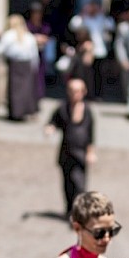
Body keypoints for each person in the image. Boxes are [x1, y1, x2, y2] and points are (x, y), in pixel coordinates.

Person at [46, 76, 97, 216]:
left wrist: (90, 152)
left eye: (78, 91)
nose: (75, 94)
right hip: (66, 152)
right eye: (72, 91)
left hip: (81, 153)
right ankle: (69, 211)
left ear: (83, 92)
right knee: (67, 184)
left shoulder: (87, 111)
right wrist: (50, 128)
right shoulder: (62, 108)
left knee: (80, 185)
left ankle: (78, 214)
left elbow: (91, 134)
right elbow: (53, 122)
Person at [0, 14, 40, 121]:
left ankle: (16, 112)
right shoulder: (29, 36)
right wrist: (34, 67)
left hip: (16, 64)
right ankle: (22, 111)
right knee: (25, 89)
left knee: (15, 89)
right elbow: (34, 55)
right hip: (25, 65)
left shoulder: (9, 35)